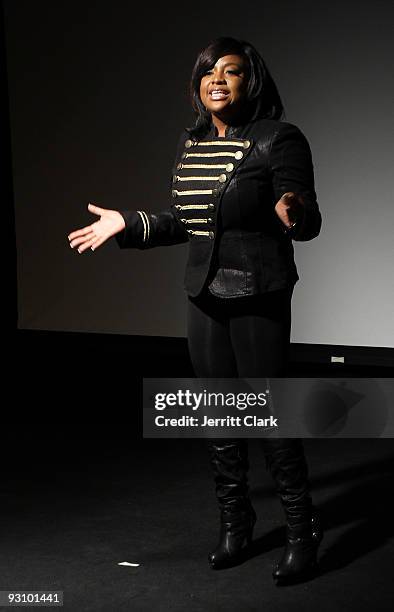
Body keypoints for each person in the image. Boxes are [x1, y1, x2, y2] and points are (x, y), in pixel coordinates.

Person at [68, 36, 323, 585]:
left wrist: (294, 211)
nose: (217, 80)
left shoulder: (278, 139)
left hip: (259, 290)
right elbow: (184, 220)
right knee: (216, 412)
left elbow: (307, 217)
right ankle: (237, 523)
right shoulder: (194, 142)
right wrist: (128, 224)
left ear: (249, 82)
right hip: (203, 293)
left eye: (230, 72)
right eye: (209, 71)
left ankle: (303, 532)